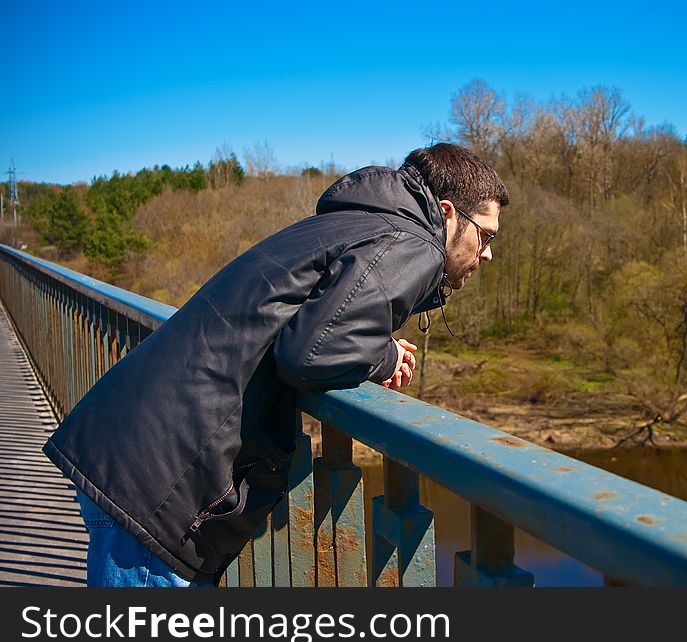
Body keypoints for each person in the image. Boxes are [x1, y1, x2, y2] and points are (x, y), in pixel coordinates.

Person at [43, 143, 508, 586]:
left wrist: (376, 343)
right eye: (485, 236)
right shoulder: (413, 243)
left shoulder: (359, 222)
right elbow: (313, 353)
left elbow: (312, 320)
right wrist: (383, 356)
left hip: (136, 453)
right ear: (447, 214)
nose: (487, 253)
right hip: (162, 488)